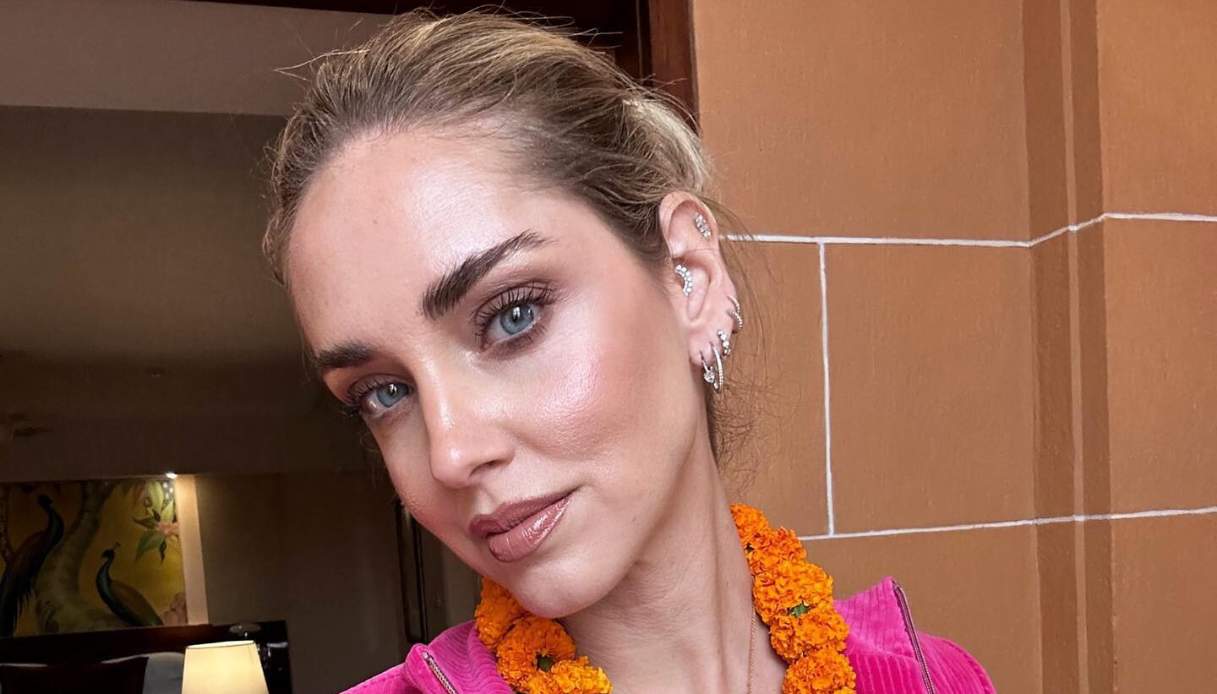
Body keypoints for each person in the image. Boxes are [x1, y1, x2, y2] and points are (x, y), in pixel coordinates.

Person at [263, 9, 995, 694]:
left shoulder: (934, 677)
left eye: (512, 316)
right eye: (384, 392)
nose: (450, 455)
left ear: (689, 276)